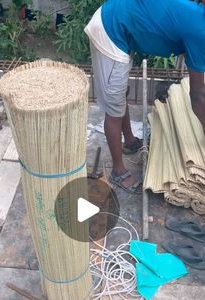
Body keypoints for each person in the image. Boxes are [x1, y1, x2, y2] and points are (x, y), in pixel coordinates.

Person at [85, 0, 205, 192]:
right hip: (110, 29)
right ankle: (118, 170)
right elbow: (198, 96)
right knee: (114, 109)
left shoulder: (196, 13)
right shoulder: (200, 31)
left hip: (122, 24)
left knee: (121, 94)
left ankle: (130, 141)